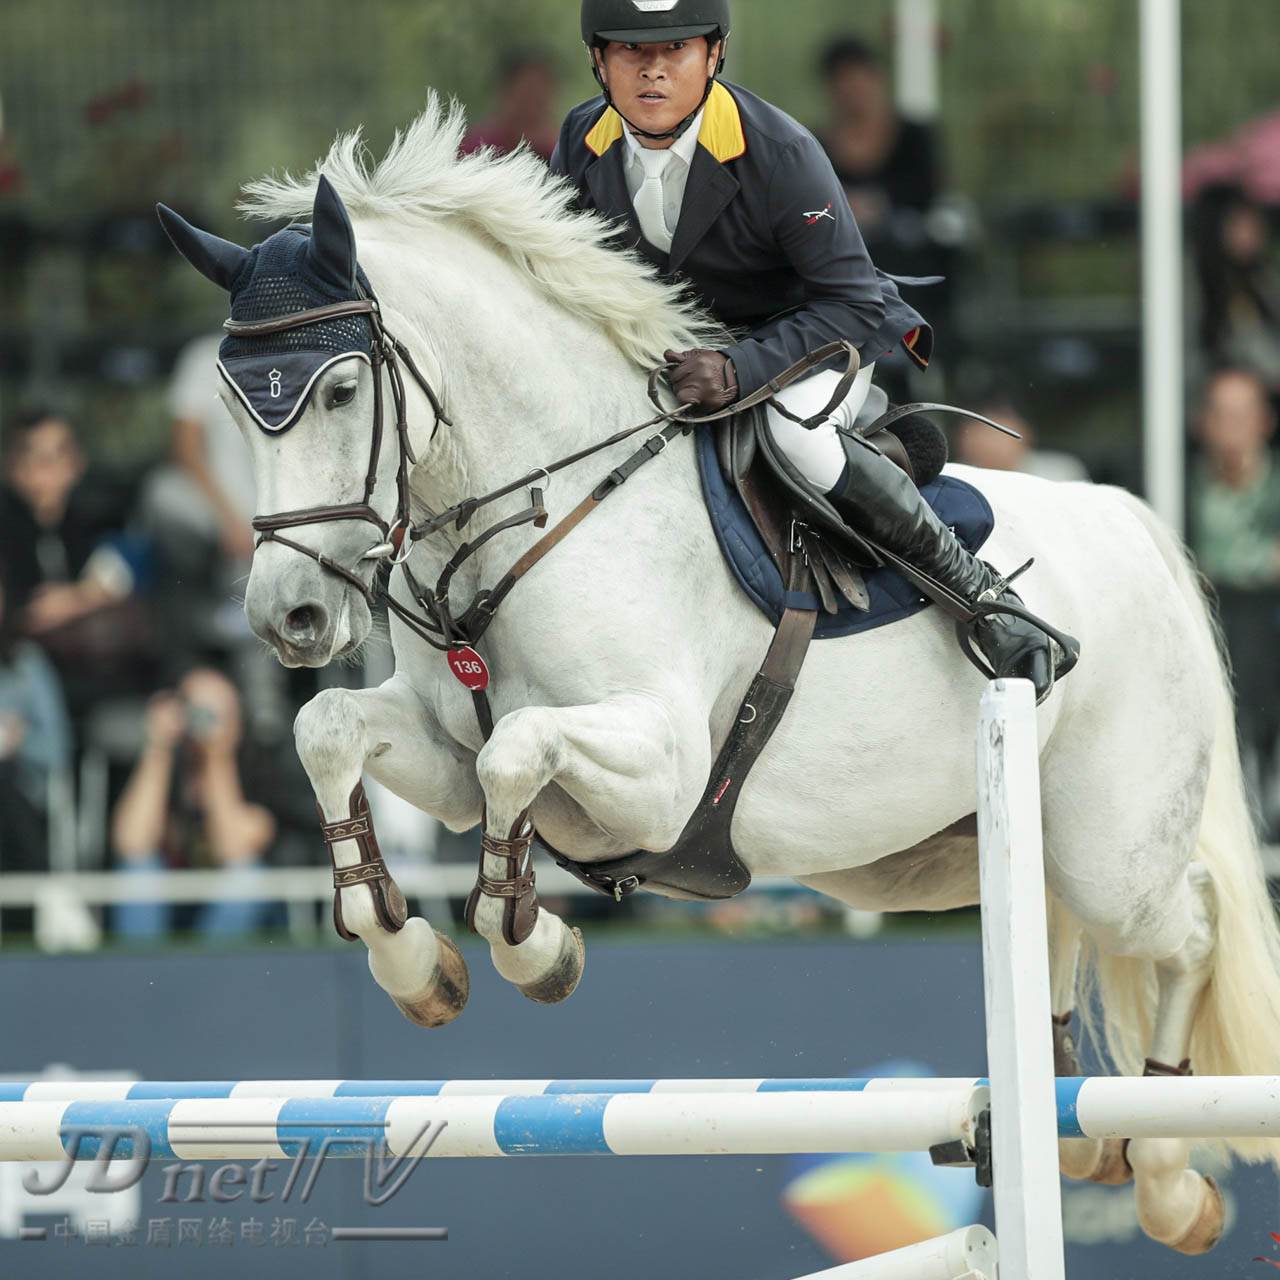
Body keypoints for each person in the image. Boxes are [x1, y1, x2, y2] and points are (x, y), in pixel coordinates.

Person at [551, 0, 1064, 698]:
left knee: (798, 440)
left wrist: (741, 369)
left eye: (676, 49)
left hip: (809, 341)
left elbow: (851, 302)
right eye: (630, 51)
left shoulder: (780, 152)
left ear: (715, 54)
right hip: (674, 356)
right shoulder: (582, 138)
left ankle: (982, 597)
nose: (653, 70)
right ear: (597, 60)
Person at [0, 407, 152, 724]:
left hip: (94, 667)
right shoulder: (7, 523)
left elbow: (122, 579)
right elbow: (27, 613)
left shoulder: (94, 517)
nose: (47, 469)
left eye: (59, 455)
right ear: (12, 466)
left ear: (76, 463)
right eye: (34, 457)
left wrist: (74, 599)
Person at [110, 667, 276, 940]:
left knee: (245, 878)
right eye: (192, 708)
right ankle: (141, 976)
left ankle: (210, 975)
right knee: (138, 872)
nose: (201, 720)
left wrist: (217, 756)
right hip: (167, 906)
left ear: (238, 723)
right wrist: (157, 747)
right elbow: (131, 844)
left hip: (235, 919)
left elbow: (234, 849)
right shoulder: (162, 765)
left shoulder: (259, 770)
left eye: (215, 711)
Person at [1189, 367, 1280, 834]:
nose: (1231, 426)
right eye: (1220, 414)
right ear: (1201, 422)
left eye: (1242, 414)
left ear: (1264, 421)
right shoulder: (1178, 483)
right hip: (1209, 633)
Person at [953, 396, 1089, 484]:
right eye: (980, 433)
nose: (988, 443)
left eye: (996, 433)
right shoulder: (954, 479)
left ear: (1025, 435)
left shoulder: (1060, 471)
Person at [461, 47, 562, 162]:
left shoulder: (559, 152)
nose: (534, 101)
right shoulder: (478, 149)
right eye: (527, 90)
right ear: (505, 91)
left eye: (541, 90)